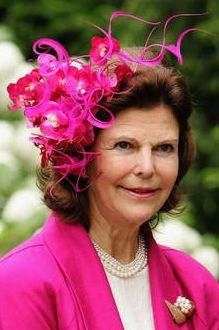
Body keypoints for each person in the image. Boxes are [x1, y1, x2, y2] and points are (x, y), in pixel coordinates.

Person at [0, 12, 218, 330]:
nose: (147, 168)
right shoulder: (22, 282)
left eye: (164, 148)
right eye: (124, 146)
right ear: (81, 155)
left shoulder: (196, 284)